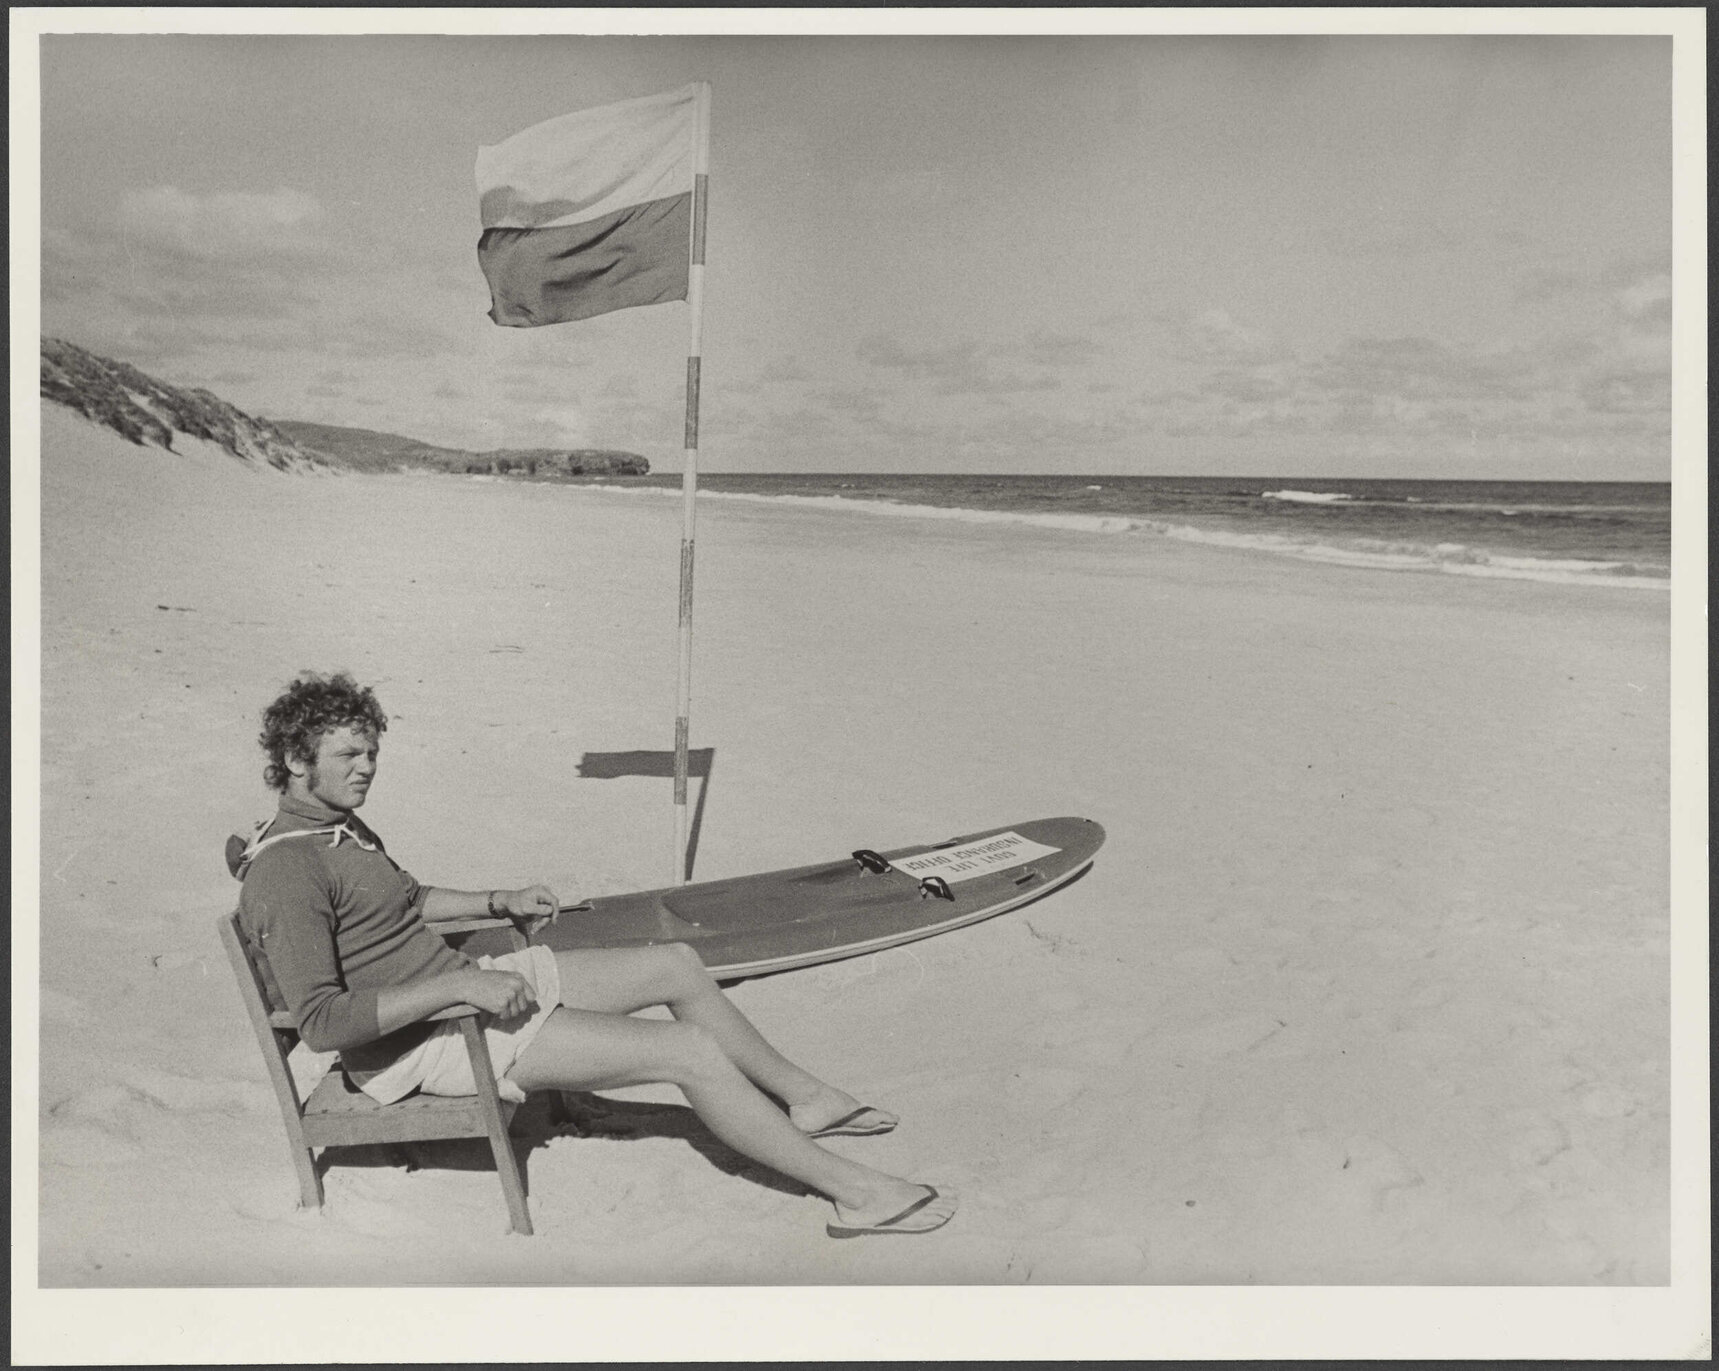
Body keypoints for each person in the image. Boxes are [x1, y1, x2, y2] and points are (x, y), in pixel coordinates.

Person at [230, 671, 955, 1239]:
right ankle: (856, 1195)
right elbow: (324, 1022)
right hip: (423, 1041)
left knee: (674, 962)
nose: (367, 769)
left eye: (371, 752)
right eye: (348, 755)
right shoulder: (288, 870)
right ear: (296, 760)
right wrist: (465, 994)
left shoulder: (337, 830)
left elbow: (403, 901)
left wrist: (495, 900)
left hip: (460, 989)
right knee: (689, 1052)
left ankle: (807, 1099)